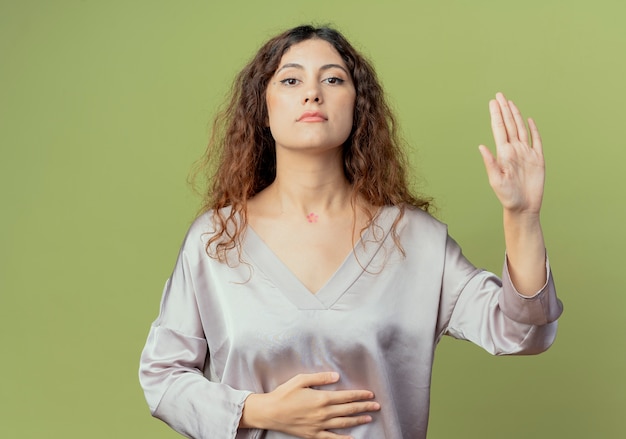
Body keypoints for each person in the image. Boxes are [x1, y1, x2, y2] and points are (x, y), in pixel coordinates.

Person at [139, 25, 563, 439]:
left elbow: (522, 331)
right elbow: (163, 378)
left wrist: (521, 216)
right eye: (290, 79)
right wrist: (259, 411)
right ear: (262, 110)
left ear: (358, 106)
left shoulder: (415, 240)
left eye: (333, 79)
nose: (312, 93)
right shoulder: (215, 240)